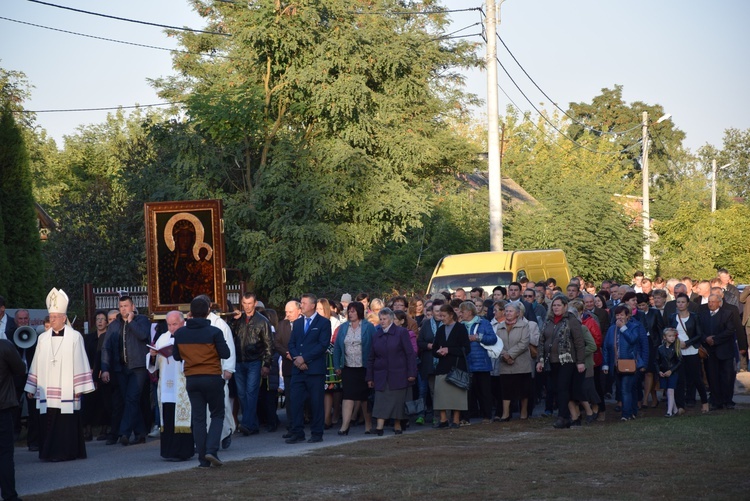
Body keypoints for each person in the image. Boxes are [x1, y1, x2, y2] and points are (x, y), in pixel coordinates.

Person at [25, 288, 95, 461]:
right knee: (48, 421)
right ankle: (48, 452)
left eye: (56, 317)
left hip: (67, 390)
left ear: (64, 318)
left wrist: (79, 387)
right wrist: (32, 386)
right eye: (51, 317)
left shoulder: (74, 337)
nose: (53, 320)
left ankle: (67, 452)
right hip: (47, 390)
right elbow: (35, 363)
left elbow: (80, 361)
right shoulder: (42, 338)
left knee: (66, 422)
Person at [173, 297, 230, 468]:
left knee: (198, 419)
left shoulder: (181, 333)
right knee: (217, 414)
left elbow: (176, 356)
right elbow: (225, 353)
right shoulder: (214, 332)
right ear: (207, 312)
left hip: (192, 379)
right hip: (212, 377)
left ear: (190, 313)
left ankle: (202, 460)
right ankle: (212, 450)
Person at [100, 295, 151, 446]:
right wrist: (105, 368)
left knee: (132, 398)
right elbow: (106, 347)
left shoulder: (142, 320)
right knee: (130, 401)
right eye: (121, 306)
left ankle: (124, 432)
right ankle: (141, 432)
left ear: (132, 306)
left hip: (138, 367)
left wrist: (131, 322)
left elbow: (143, 335)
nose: (123, 309)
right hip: (120, 368)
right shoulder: (114, 324)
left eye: (126, 306)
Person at [146, 311, 194, 461]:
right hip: (166, 386)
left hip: (182, 385)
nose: (172, 328)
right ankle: (168, 451)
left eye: (175, 324)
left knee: (181, 417)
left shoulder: (189, 336)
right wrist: (153, 356)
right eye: (169, 324)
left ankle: (183, 452)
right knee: (167, 416)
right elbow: (154, 365)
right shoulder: (163, 337)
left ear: (182, 322)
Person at [286, 293, 332, 444]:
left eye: (304, 303)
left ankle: (317, 433)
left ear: (312, 305)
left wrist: (304, 358)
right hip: (298, 369)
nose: (301, 305)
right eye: (301, 302)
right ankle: (297, 431)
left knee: (316, 402)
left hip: (314, 370)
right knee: (295, 401)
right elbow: (291, 344)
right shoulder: (298, 323)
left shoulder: (323, 323)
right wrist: (297, 359)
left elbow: (322, 345)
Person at [536, 295, 585, 429]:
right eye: (554, 305)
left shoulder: (571, 320)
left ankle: (563, 417)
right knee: (555, 388)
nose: (556, 307)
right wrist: (540, 360)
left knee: (563, 388)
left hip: (567, 360)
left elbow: (579, 342)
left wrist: (580, 361)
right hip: (551, 361)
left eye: (559, 305)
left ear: (565, 306)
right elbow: (541, 342)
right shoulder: (548, 321)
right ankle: (570, 416)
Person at [366, 308, 417, 435]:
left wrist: (412, 373)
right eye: (381, 319)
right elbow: (371, 357)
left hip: (399, 373)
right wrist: (369, 377)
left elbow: (410, 354)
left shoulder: (401, 332)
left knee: (398, 402)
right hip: (381, 374)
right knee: (380, 401)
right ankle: (379, 427)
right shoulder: (376, 335)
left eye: (385, 319)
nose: (382, 322)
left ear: (391, 319)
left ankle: (398, 425)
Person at [231, 293, 273, 436]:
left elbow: (268, 344)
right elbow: (230, 335)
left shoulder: (262, 321)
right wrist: (233, 320)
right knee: (242, 394)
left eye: (250, 303)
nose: (247, 306)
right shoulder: (238, 320)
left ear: (255, 303)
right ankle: (252, 425)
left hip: (255, 361)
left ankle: (247, 424)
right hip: (239, 361)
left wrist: (266, 363)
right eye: (244, 303)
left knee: (251, 393)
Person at [333, 301, 375, 435]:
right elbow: (338, 348)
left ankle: (368, 425)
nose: (350, 314)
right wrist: (337, 365)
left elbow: (374, 347)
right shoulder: (344, 327)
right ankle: (345, 426)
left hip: (364, 367)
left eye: (353, 311)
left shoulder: (369, 327)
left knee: (364, 397)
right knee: (348, 395)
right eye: (349, 311)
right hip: (348, 367)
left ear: (360, 312)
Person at [602, 305, 649, 421]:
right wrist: (606, 364)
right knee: (628, 389)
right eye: (617, 315)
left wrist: (623, 328)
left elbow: (633, 340)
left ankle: (626, 414)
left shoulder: (634, 327)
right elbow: (606, 347)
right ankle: (633, 411)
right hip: (616, 365)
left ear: (628, 316)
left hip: (631, 363)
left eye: (622, 315)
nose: (619, 317)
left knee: (625, 388)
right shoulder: (612, 329)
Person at [432, 304, 471, 429]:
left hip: (457, 366)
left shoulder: (460, 329)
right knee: (440, 394)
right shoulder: (440, 330)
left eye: (444, 316)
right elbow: (434, 348)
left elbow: (466, 349)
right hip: (442, 366)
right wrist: (439, 351)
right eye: (440, 316)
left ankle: (456, 420)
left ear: (451, 315)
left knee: (457, 395)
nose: (441, 318)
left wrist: (449, 350)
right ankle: (443, 420)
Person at [668, 293, 708, 413]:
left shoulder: (694, 317)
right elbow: (669, 332)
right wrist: (676, 342)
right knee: (680, 379)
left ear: (688, 304)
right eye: (678, 302)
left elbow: (699, 334)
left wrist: (688, 343)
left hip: (692, 350)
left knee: (696, 378)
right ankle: (680, 406)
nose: (680, 304)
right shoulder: (672, 317)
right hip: (678, 351)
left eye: (683, 302)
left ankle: (705, 402)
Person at [458, 301, 497, 424]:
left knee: (484, 391)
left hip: (481, 363)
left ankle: (487, 416)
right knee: (466, 392)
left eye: (462, 311)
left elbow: (493, 338)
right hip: (466, 363)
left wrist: (478, 337)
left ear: (469, 312)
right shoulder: (460, 325)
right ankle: (465, 418)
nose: (460, 314)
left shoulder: (483, 323)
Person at [495, 302, 534, 421]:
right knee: (506, 390)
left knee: (523, 390)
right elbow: (497, 344)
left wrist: (510, 354)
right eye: (506, 311)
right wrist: (504, 355)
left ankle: (523, 412)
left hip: (521, 363)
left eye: (511, 311)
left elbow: (524, 343)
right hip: (505, 364)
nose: (508, 313)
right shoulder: (499, 326)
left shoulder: (524, 326)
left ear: (517, 313)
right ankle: (505, 414)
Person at [698, 293, 737, 410]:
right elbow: (699, 330)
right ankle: (716, 401)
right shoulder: (702, 315)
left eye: (713, 302)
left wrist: (715, 339)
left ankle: (727, 400)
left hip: (724, 351)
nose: (710, 304)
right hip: (709, 352)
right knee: (712, 376)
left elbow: (730, 330)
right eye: (709, 302)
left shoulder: (727, 314)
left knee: (727, 377)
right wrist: (706, 338)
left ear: (719, 303)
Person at [10, 308, 40, 451]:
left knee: (33, 409)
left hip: (31, 376)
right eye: (20, 319)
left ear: (29, 319)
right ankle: (12, 437)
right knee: (12, 408)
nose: (23, 321)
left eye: (25, 319)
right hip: (15, 377)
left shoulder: (34, 335)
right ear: (16, 321)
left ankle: (33, 441)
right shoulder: (10, 335)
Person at [1, 333, 25, 501]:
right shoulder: (4, 346)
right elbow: (20, 369)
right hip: (3, 406)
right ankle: (9, 495)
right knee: (5, 454)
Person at [277, 300, 300, 437]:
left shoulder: (303, 324)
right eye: (286, 312)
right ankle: (292, 426)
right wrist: (287, 354)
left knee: (302, 397)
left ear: (299, 311)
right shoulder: (282, 325)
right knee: (290, 398)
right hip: (288, 366)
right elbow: (277, 343)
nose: (288, 314)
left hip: (303, 365)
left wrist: (298, 356)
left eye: (290, 312)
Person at [318, 299, 342, 430]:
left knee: (329, 389)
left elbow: (334, 341)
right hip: (316, 356)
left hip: (329, 357)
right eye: (317, 309)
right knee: (318, 389)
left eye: (321, 309)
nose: (318, 312)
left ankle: (328, 417)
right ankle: (320, 416)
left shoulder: (333, 322)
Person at [657, 327, 682, 417]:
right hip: (663, 373)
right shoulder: (660, 348)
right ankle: (675, 410)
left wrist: (671, 371)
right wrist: (659, 371)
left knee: (670, 390)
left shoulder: (676, 348)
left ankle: (669, 412)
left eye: (673, 336)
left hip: (673, 373)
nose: (672, 338)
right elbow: (656, 361)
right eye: (670, 336)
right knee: (668, 391)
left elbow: (679, 361)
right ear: (664, 337)